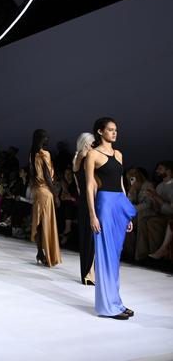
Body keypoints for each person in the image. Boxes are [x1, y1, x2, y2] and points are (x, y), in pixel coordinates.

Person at [85, 117, 136, 320]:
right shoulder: (92, 154)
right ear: (100, 131)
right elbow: (90, 185)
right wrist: (92, 215)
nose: (114, 133)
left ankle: (116, 302)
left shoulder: (118, 154)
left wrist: (127, 212)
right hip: (104, 205)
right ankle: (107, 307)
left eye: (116, 130)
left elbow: (121, 185)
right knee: (105, 256)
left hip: (117, 205)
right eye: (110, 130)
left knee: (114, 258)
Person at [29, 129, 61, 267]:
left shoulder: (31, 154)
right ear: (42, 138)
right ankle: (48, 255)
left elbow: (32, 175)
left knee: (39, 223)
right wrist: (55, 194)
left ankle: (40, 253)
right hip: (45, 192)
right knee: (46, 223)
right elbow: (48, 177)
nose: (48, 138)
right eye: (46, 136)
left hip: (36, 190)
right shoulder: (44, 154)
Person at [72, 132, 95, 285]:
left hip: (84, 200)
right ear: (87, 143)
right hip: (90, 200)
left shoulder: (77, 158)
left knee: (89, 236)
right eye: (94, 142)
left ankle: (89, 273)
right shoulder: (84, 155)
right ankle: (89, 273)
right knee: (90, 236)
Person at [140, 161, 173, 259]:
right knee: (143, 220)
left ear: (169, 171)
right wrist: (152, 198)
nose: (157, 171)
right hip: (160, 214)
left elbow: (171, 210)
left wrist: (156, 196)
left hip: (169, 215)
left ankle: (159, 254)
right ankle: (146, 253)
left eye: (160, 169)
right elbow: (157, 208)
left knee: (152, 222)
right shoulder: (159, 186)